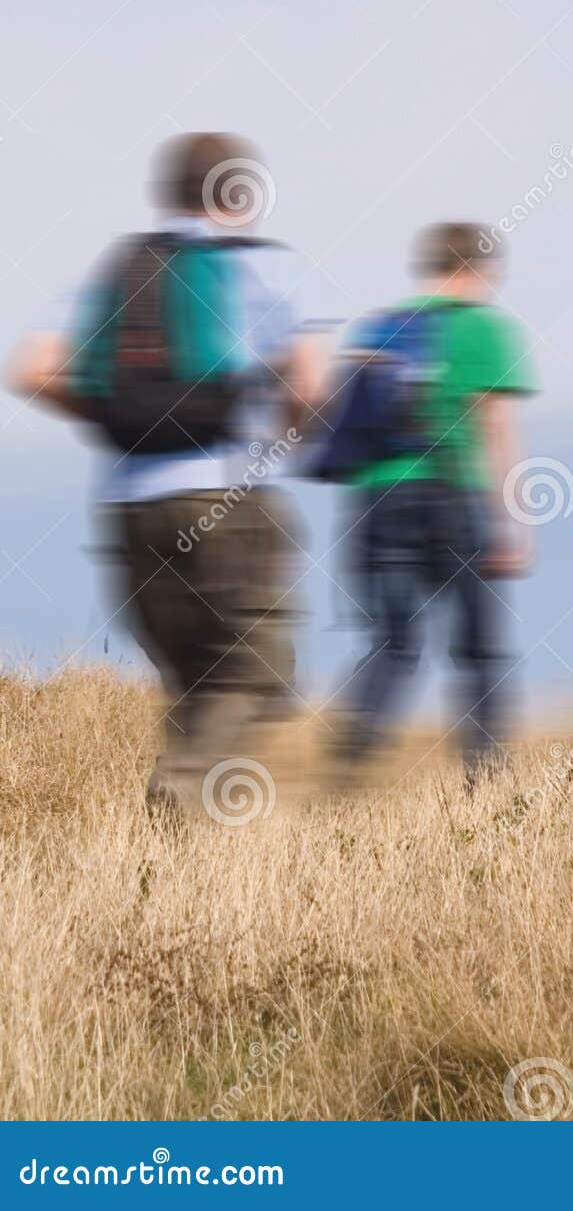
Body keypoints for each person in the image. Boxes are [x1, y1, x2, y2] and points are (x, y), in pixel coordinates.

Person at [5, 133, 333, 816]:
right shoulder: (267, 270)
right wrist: (285, 435)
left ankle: (176, 858)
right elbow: (311, 388)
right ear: (239, 192)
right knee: (258, 671)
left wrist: (109, 414)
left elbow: (32, 369)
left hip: (129, 509)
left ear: (169, 193)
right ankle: (180, 795)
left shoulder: (118, 271)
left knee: (194, 677)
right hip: (227, 499)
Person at [318, 222, 536, 781]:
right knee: (480, 650)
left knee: (393, 641)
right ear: (474, 269)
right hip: (449, 497)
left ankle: (357, 738)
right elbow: (496, 430)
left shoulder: (377, 331)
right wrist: (514, 525)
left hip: (375, 499)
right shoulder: (483, 328)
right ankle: (485, 780)